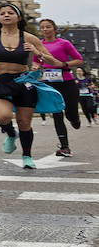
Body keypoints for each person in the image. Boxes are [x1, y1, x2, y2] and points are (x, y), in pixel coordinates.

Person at [0, 2, 63, 170]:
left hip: (22, 82)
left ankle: (27, 156)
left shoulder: (29, 38)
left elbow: (54, 61)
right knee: (3, 117)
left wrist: (36, 52)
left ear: (19, 17)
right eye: (2, 13)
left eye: (10, 12)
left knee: (24, 122)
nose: (6, 15)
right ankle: (10, 133)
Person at [35, 18, 85, 157]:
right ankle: (65, 147)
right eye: (42, 27)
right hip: (49, 83)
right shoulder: (38, 45)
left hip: (67, 81)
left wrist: (63, 64)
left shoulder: (64, 43)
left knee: (70, 113)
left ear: (54, 29)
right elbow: (36, 62)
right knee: (57, 114)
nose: (45, 29)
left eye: (48, 27)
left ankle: (75, 119)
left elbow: (79, 60)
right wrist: (35, 68)